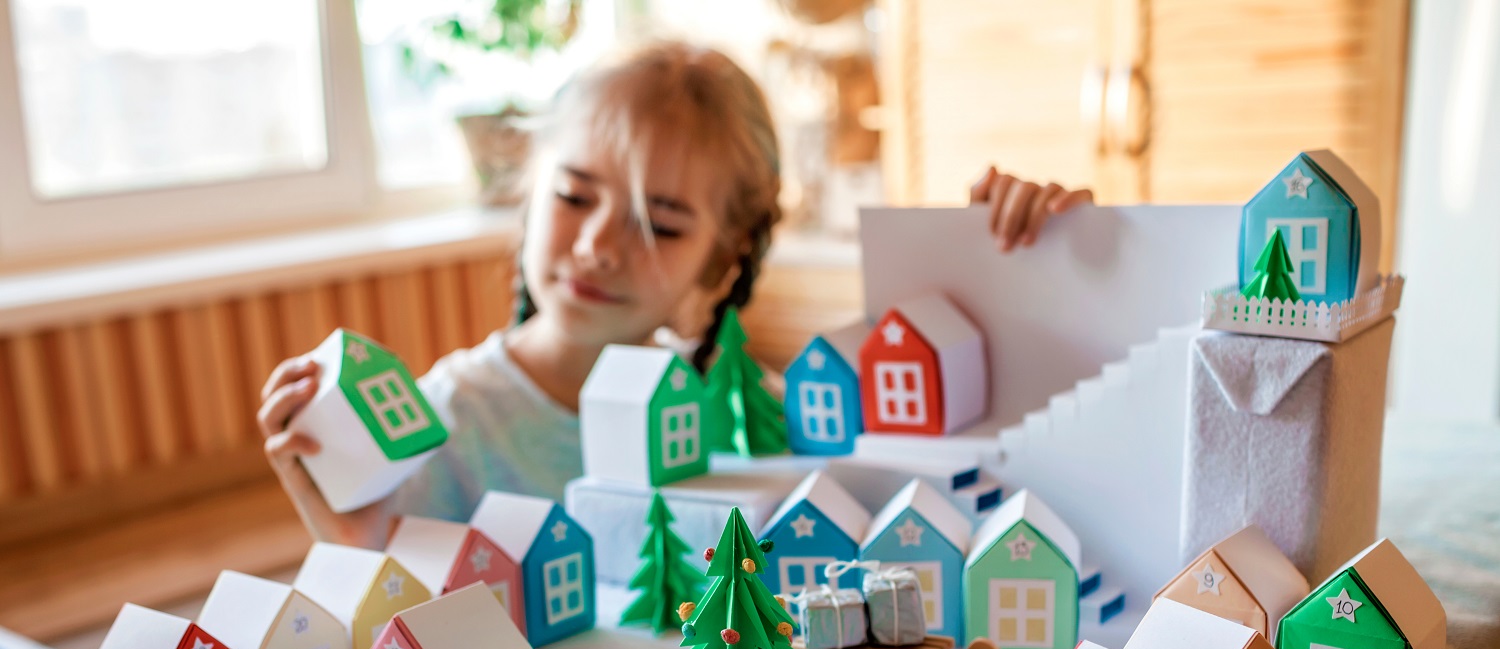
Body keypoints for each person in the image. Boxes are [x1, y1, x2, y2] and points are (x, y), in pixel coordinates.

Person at [257, 40, 1091, 550]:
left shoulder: (752, 412)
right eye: (575, 196)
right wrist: (359, 549)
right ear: (528, 190)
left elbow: (930, 484)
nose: (597, 246)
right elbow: (385, 644)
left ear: (724, 261)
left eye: (661, 223)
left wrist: (1024, 260)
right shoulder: (453, 422)